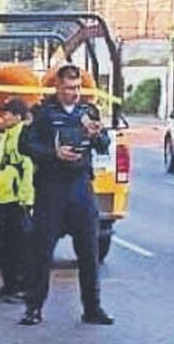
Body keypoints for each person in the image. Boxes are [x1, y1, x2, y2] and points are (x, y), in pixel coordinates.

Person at [17, 64, 114, 326]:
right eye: (69, 88)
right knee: (42, 251)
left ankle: (92, 308)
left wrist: (97, 134)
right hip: (52, 187)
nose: (74, 93)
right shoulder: (43, 113)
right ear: (58, 88)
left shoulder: (88, 112)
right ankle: (33, 308)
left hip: (81, 187)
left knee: (89, 251)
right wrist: (53, 153)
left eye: (78, 88)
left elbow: (104, 145)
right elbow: (25, 145)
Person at [0, 98, 35, 303]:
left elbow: (27, 169)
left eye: (7, 114)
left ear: (17, 116)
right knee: (7, 244)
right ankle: (8, 285)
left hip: (17, 199)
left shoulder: (22, 135)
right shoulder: (9, 134)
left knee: (20, 245)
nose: (3, 116)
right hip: (6, 196)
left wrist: (25, 199)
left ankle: (20, 287)